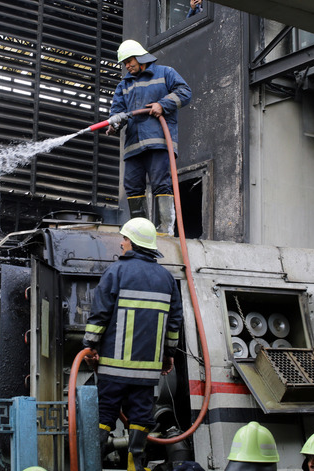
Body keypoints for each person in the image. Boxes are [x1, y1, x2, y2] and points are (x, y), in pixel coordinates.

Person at [83, 217, 184, 471]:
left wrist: (91, 346)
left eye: (125, 239)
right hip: (146, 370)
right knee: (141, 416)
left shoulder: (115, 272)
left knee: (105, 414)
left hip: (113, 368)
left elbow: (100, 315)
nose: (122, 243)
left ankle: (92, 463)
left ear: (134, 243)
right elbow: (174, 323)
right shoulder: (167, 279)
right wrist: (169, 355)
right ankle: (134, 464)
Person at [105, 40, 192, 236]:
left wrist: (163, 104)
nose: (127, 66)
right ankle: (141, 232)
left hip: (158, 141)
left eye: (129, 61)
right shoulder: (123, 85)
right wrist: (115, 124)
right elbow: (118, 112)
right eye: (124, 63)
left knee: (161, 182)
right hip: (133, 146)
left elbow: (185, 92)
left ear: (141, 57)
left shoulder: (165, 73)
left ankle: (165, 229)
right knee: (132, 186)